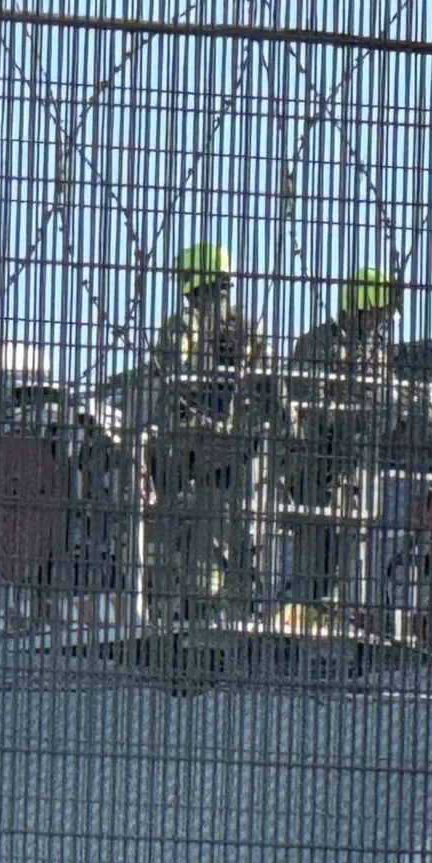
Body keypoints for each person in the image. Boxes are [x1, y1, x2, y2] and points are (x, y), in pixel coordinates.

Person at [144, 243, 271, 624]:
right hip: (198, 447)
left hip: (220, 448)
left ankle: (213, 603)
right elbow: (169, 371)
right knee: (206, 525)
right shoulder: (191, 330)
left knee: (222, 526)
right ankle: (205, 602)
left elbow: (266, 388)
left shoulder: (238, 332)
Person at [282, 266, 404, 606]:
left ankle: (340, 608)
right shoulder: (318, 343)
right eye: (376, 314)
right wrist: (347, 413)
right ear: (358, 308)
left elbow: (384, 406)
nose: (380, 323)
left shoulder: (377, 354)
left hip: (353, 467)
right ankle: (308, 607)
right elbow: (304, 403)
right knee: (315, 543)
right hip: (314, 465)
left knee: (350, 546)